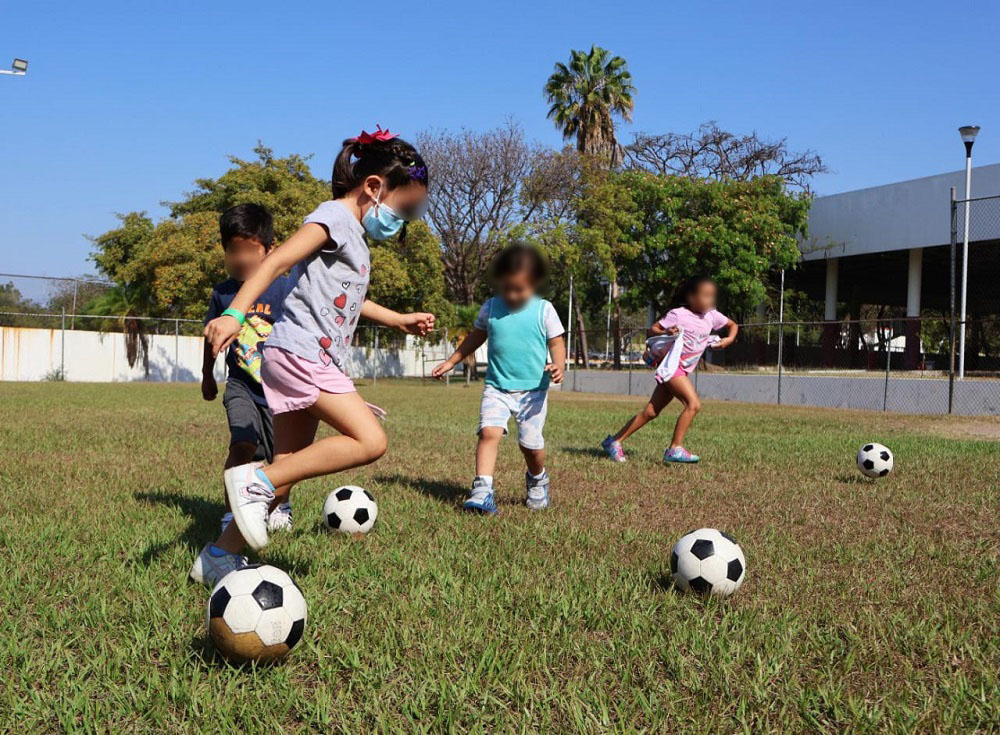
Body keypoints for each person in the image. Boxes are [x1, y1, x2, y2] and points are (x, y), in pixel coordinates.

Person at [190, 128, 435, 586]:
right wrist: (234, 313)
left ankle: (217, 558)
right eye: (404, 209)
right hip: (303, 355)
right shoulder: (333, 217)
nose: (403, 220)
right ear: (374, 187)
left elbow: (347, 299)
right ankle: (254, 482)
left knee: (288, 466)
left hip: (300, 356)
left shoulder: (355, 236)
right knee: (370, 441)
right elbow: (279, 259)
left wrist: (398, 319)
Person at [432, 244, 566, 513]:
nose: (512, 295)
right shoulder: (491, 307)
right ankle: (482, 490)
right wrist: (451, 361)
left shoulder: (544, 310)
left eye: (519, 289)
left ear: (534, 284)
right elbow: (475, 337)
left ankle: (538, 479)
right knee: (488, 432)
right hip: (497, 387)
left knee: (530, 446)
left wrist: (559, 365)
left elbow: (557, 342)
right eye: (507, 288)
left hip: (532, 393)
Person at [201, 203, 294, 535]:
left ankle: (279, 505)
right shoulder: (222, 294)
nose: (240, 257)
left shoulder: (285, 289)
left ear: (270, 250)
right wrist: (206, 376)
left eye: (249, 249)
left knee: (282, 455)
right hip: (240, 385)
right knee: (242, 442)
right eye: (232, 250)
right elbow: (211, 337)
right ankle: (232, 512)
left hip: (279, 389)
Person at [600, 276, 738, 464]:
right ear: (691, 297)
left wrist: (729, 340)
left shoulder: (712, 315)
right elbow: (653, 329)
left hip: (682, 371)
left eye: (712, 296)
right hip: (672, 367)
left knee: (650, 412)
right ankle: (675, 449)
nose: (710, 300)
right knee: (693, 404)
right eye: (705, 296)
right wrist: (666, 331)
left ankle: (614, 442)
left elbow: (733, 325)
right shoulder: (678, 314)